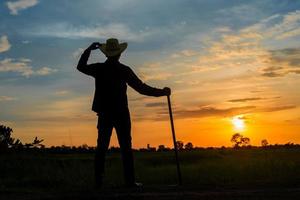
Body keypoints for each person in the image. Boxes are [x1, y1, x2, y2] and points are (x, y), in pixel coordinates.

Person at [77, 38, 171, 187]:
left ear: (106, 54)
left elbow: (81, 67)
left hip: (105, 113)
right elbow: (142, 88)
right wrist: (162, 92)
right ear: (119, 54)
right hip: (120, 113)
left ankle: (99, 182)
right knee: (126, 147)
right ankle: (129, 181)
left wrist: (88, 50)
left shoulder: (99, 68)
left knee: (102, 147)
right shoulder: (124, 70)